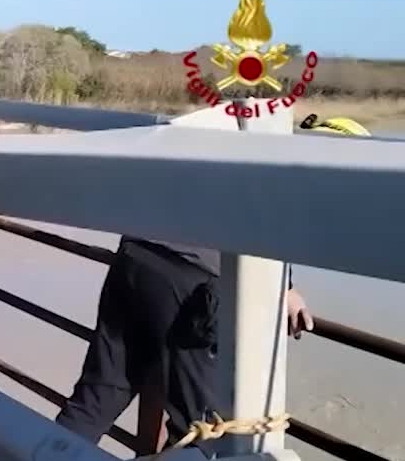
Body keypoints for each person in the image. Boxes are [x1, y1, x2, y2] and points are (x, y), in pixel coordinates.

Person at [55, 114, 370, 454]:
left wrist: (286, 285)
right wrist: (287, 286)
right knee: (200, 428)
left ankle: (33, 449)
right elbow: (273, 234)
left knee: (99, 395)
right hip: (189, 284)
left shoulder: (258, 150)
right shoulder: (310, 175)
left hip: (136, 256)